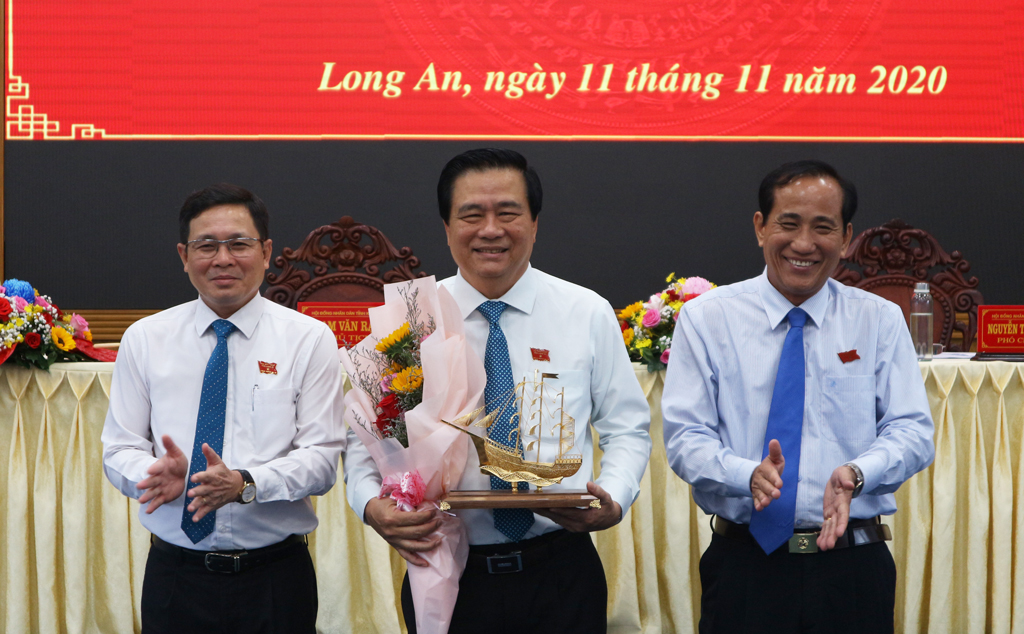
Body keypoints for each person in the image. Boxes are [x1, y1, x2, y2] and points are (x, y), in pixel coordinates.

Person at [343, 148, 652, 632]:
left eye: (508, 213)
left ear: (533, 222)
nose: (491, 229)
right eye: (471, 215)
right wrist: (370, 506)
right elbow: (365, 450)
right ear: (447, 228)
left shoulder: (586, 311)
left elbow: (628, 430)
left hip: (561, 572)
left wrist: (612, 497)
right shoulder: (410, 320)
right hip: (447, 571)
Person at [662, 160, 935, 633]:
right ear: (760, 227)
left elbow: (912, 431)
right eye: (788, 224)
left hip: (853, 567)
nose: (804, 244)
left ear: (846, 237)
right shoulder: (707, 319)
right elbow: (686, 437)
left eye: (823, 227)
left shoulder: (879, 319)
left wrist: (856, 473)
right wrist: (746, 474)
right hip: (745, 566)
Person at [101, 183, 346, 634]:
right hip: (176, 577)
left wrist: (245, 484)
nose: (223, 259)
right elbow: (118, 450)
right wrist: (153, 475)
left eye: (239, 243)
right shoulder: (145, 338)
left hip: (276, 578)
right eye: (206, 246)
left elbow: (322, 460)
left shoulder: (308, 339)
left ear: (267, 250)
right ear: (183, 255)